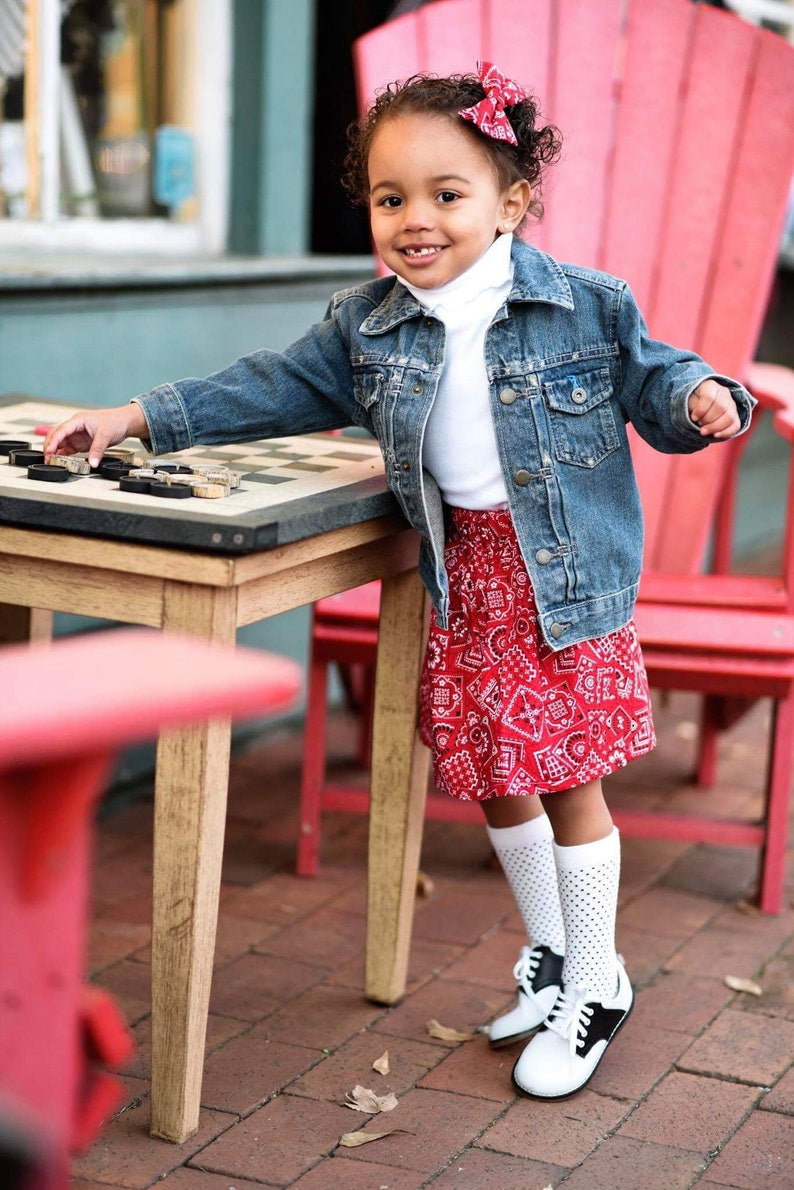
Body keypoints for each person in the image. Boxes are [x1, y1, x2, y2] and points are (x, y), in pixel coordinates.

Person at [45, 63, 754, 1100]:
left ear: (510, 203)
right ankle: (555, 956)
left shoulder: (581, 305)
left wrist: (702, 396)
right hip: (463, 575)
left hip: (555, 583)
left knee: (566, 778)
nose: (414, 219)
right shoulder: (366, 324)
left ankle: (598, 980)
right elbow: (266, 386)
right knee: (493, 776)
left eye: (445, 193)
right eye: (389, 198)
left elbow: (656, 377)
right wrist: (135, 416)